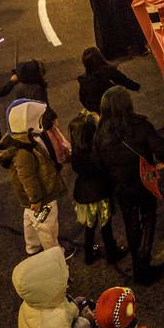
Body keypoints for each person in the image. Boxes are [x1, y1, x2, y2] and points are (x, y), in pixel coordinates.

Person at [94, 86, 164, 283]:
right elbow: (163, 151)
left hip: (119, 186)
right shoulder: (140, 126)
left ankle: (138, 263)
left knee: (130, 221)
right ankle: (143, 261)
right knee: (148, 216)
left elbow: (98, 164)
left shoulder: (100, 133)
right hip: (143, 183)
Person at [0, 98, 68, 256]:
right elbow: (28, 177)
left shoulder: (20, 141)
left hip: (29, 198)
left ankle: (32, 247)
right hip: (41, 195)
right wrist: (35, 199)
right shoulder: (24, 151)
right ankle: (54, 254)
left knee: (30, 218)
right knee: (47, 225)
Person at [68, 104, 125, 266]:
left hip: (83, 192)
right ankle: (112, 252)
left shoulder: (76, 152)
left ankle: (89, 254)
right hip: (99, 193)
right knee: (105, 224)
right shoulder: (96, 151)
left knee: (90, 225)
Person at [77, 46, 140, 113]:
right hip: (111, 105)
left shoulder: (84, 79)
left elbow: (82, 98)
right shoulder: (107, 71)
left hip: (96, 108)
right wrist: (136, 86)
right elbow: (122, 80)